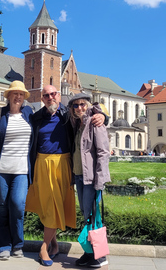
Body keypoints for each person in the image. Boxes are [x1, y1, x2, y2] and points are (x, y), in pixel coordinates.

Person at [25, 85, 108, 267]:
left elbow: (99, 135)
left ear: (59, 96)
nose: (50, 98)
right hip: (48, 166)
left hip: (65, 166)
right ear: (42, 97)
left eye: (53, 94)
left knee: (84, 212)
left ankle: (96, 255)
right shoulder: (37, 117)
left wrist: (104, 116)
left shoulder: (66, 114)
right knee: (51, 206)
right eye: (46, 95)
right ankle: (50, 245)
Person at [0, 80, 33, 261]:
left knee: (17, 204)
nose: (18, 96)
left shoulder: (30, 114)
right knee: (1, 208)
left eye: (21, 94)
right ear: (8, 96)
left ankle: (18, 244)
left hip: (21, 169)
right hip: (1, 169)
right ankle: (3, 246)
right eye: (14, 93)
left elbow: (52, 112)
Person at [68, 93, 111, 268]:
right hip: (80, 175)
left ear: (88, 105)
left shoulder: (95, 122)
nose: (79, 108)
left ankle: (99, 256)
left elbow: (103, 152)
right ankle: (89, 252)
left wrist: (100, 179)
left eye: (82, 104)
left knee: (92, 216)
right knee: (87, 215)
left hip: (92, 178)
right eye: (75, 105)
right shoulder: (76, 123)